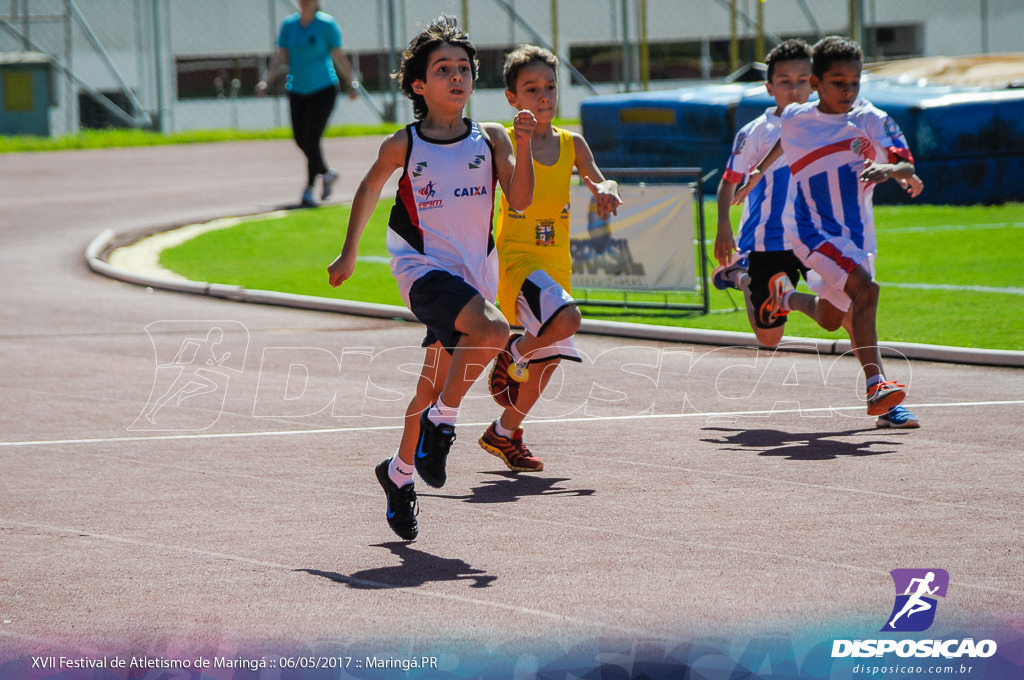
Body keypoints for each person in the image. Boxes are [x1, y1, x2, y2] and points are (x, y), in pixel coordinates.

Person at [326, 15, 536, 541]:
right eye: (443, 69)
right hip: (423, 272)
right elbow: (369, 191)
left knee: (432, 384)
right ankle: (443, 424)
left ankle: (397, 474)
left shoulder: (491, 138)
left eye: (464, 68)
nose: (457, 76)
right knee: (491, 331)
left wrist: (526, 144)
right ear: (420, 85)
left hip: (473, 278)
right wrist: (348, 253)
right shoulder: (405, 144)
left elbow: (523, 200)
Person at [734, 36, 924, 427]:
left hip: (855, 233)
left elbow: (906, 164)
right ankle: (880, 391)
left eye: (855, 82)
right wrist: (756, 173)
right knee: (865, 290)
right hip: (808, 227)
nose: (849, 91)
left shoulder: (870, 118)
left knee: (832, 316)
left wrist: (892, 171)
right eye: (839, 82)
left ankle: (784, 296)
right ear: (817, 83)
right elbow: (783, 142)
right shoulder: (796, 118)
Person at [481, 45, 622, 472]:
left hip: (557, 261)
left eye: (550, 87)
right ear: (511, 97)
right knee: (567, 319)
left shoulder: (572, 143)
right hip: (518, 258)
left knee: (551, 357)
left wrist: (606, 189)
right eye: (531, 88)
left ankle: (504, 433)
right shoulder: (503, 138)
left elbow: (600, 177)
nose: (543, 96)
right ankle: (512, 353)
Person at [713, 39, 815, 350]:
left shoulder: (827, 125)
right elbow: (728, 181)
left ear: (814, 83)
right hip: (767, 239)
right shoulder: (755, 131)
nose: (794, 89)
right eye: (785, 82)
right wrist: (723, 227)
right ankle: (741, 277)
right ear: (770, 88)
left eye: (802, 81)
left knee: (846, 299)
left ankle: (874, 377)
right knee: (769, 338)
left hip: (814, 234)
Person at [256, 0, 359, 208]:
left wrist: (351, 82)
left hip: (323, 89)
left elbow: (339, 56)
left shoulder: (327, 25)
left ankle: (309, 189)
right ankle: (326, 173)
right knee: (300, 138)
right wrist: (266, 80)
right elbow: (280, 57)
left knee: (312, 137)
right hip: (297, 90)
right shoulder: (289, 25)